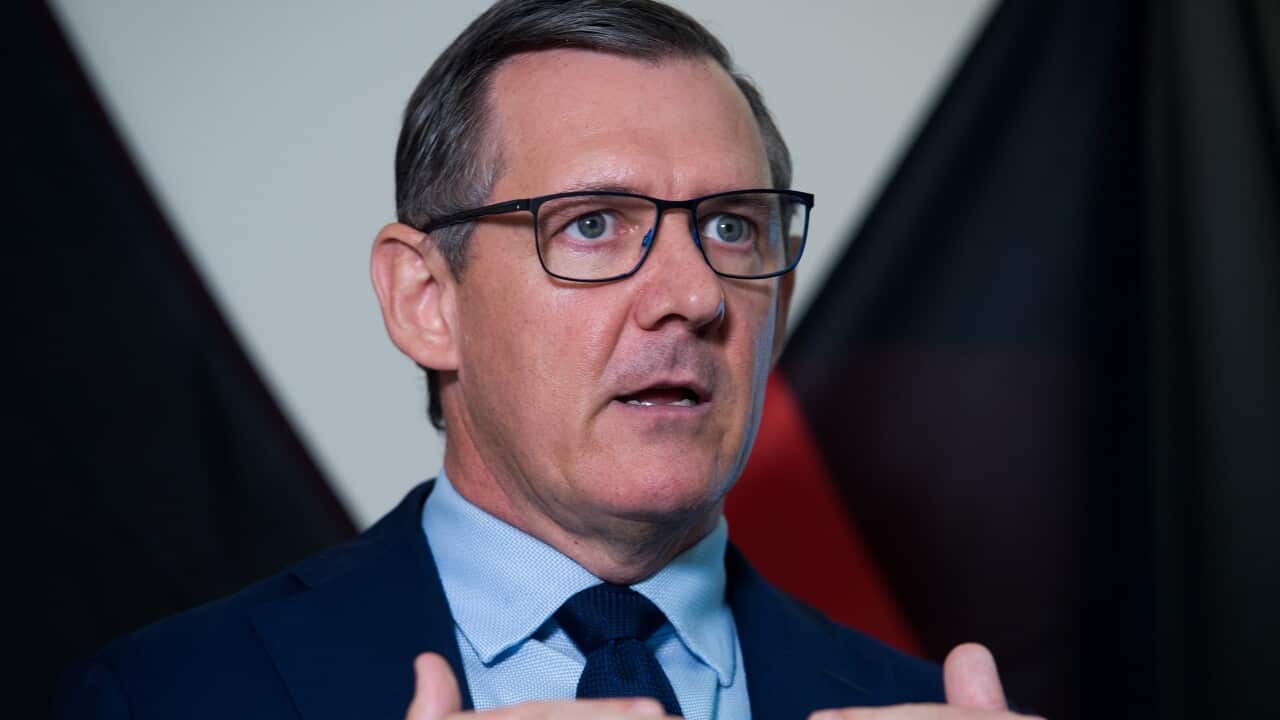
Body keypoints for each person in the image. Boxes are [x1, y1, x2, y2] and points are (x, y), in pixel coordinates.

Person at [55, 2, 1037, 718]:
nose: (693, 296)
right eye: (595, 224)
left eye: (732, 228)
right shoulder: (164, 696)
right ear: (425, 300)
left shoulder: (906, 700)